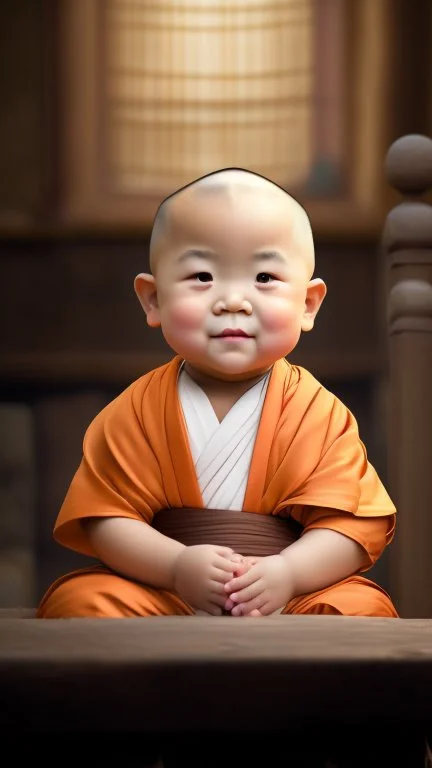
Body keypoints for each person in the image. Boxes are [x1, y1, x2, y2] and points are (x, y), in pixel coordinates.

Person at [37, 168, 398, 619]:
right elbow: (106, 519)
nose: (233, 300)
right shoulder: (137, 410)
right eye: (202, 276)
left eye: (264, 277)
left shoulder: (317, 413)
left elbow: (351, 526)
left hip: (287, 595)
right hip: (167, 592)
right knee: (82, 603)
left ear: (308, 304)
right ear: (153, 300)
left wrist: (287, 573)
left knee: (361, 609)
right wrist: (175, 567)